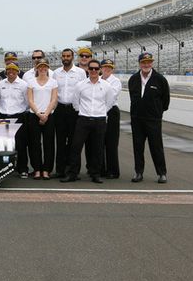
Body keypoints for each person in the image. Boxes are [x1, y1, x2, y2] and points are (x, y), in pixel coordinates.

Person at [61, 59, 118, 183]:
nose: (93, 71)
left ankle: (95, 174)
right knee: (76, 147)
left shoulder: (106, 86)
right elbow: (75, 102)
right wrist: (83, 111)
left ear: (100, 70)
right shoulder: (80, 85)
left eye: (96, 69)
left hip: (99, 120)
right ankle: (73, 173)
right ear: (87, 69)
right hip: (83, 119)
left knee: (97, 149)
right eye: (91, 68)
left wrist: (101, 112)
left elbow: (109, 103)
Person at [128, 52, 170, 183]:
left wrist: (156, 113)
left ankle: (162, 173)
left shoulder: (160, 79)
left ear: (152, 63)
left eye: (149, 62)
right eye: (143, 62)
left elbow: (165, 100)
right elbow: (133, 98)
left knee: (156, 147)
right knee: (138, 146)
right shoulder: (133, 79)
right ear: (139, 63)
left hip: (153, 120)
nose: (146, 64)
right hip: (137, 119)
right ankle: (138, 172)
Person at [52, 48, 87, 177]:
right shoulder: (56, 73)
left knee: (74, 142)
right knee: (60, 141)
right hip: (60, 109)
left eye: (68, 56)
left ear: (73, 57)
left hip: (74, 110)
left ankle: (73, 170)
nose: (66, 58)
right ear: (61, 57)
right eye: (64, 56)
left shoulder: (81, 72)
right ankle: (60, 170)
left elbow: (84, 91)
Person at [0, 62, 30, 178]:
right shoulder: (0, 84)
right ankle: (6, 168)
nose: (11, 71)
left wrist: (18, 111)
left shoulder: (23, 84)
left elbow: (27, 102)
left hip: (18, 116)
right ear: (6, 71)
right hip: (4, 116)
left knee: (21, 144)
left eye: (13, 69)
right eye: (9, 69)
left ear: (17, 71)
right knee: (4, 145)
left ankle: (23, 169)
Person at [27, 58, 58, 180]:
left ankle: (46, 170)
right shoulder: (31, 82)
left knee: (49, 144)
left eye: (45, 66)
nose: (43, 69)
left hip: (49, 115)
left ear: (48, 68)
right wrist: (39, 114)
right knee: (35, 144)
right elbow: (30, 100)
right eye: (40, 66)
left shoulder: (53, 82)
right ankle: (37, 169)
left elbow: (54, 100)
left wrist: (46, 114)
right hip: (34, 115)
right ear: (37, 68)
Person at [100, 59, 122, 179]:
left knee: (112, 142)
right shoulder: (98, 79)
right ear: (101, 68)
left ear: (112, 69)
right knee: (99, 142)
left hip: (111, 111)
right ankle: (101, 169)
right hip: (98, 111)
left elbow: (111, 97)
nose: (107, 69)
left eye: (109, 67)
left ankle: (113, 170)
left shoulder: (115, 81)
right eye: (105, 67)